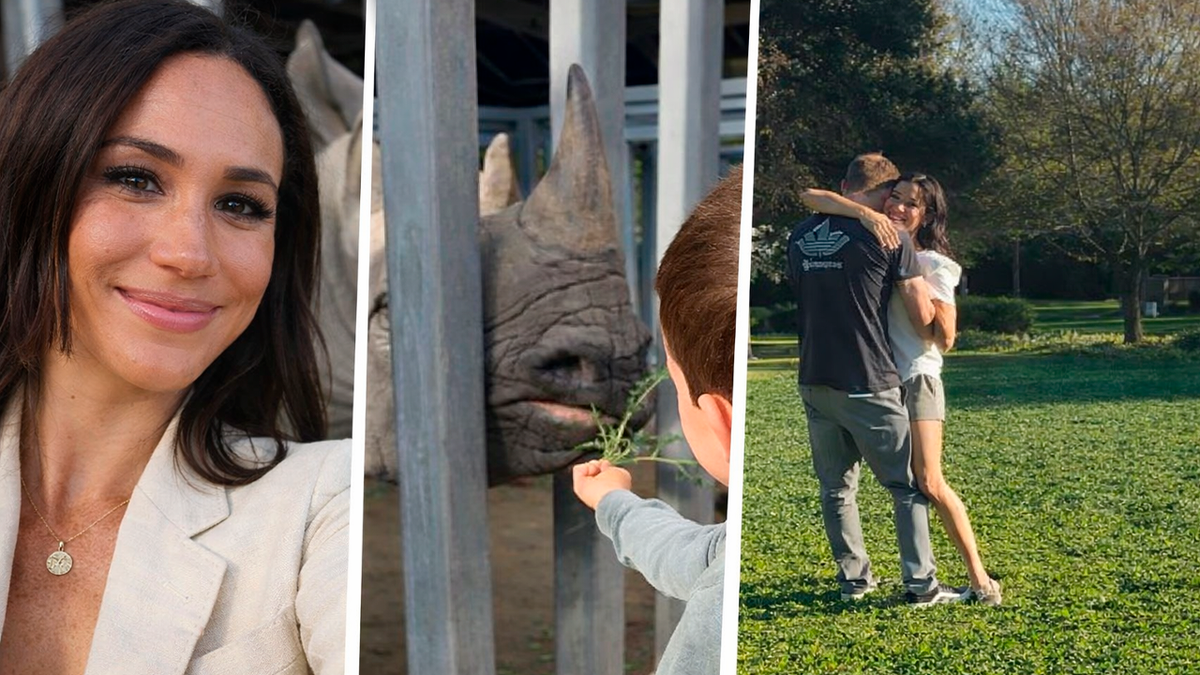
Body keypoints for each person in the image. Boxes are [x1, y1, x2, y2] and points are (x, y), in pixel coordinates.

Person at [0, 2, 349, 673]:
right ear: (34, 184)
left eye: (240, 204)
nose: (190, 254)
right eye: (135, 178)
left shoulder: (322, 509)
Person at [799, 173, 1002, 605]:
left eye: (911, 204)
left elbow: (943, 336)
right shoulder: (883, 240)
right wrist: (865, 215)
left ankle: (978, 577)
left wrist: (915, 288)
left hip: (917, 377)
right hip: (881, 379)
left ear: (926, 214)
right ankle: (890, 581)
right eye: (895, 198)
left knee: (927, 480)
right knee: (882, 485)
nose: (899, 208)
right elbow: (813, 196)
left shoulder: (932, 262)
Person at [572, 166, 741, 675]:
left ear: (720, 421)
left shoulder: (720, 620)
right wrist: (615, 502)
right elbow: (689, 554)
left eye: (673, 381)